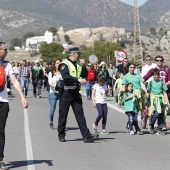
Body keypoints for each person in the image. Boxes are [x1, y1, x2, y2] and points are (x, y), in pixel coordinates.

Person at [58, 47, 98, 142]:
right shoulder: (64, 64)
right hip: (66, 92)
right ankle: (61, 134)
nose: (79, 55)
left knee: (80, 114)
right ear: (73, 54)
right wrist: (77, 79)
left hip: (75, 92)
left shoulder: (78, 64)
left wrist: (83, 66)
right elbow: (65, 76)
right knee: (63, 114)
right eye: (78, 54)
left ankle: (86, 135)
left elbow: (84, 75)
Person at [0, 41, 28, 170]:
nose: (6, 52)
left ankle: (0, 159)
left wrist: (22, 97)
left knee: (0, 131)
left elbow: (15, 81)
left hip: (3, 102)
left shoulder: (7, 65)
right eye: (5, 49)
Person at [143, 56, 170, 130]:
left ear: (163, 61)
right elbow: (145, 78)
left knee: (163, 111)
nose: (159, 62)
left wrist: (162, 86)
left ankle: (161, 125)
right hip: (154, 93)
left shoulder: (166, 70)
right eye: (157, 60)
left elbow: (169, 81)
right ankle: (150, 122)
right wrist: (140, 85)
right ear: (155, 61)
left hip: (165, 92)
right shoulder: (153, 70)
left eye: (161, 60)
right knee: (155, 111)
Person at [147, 69, 170, 135]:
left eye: (156, 75)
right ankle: (151, 124)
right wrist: (146, 100)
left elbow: (164, 93)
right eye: (153, 75)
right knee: (157, 113)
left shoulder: (162, 83)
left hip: (161, 100)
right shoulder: (150, 83)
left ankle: (159, 128)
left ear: (158, 75)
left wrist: (167, 102)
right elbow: (148, 92)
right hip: (154, 100)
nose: (155, 76)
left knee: (162, 115)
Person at [48, 59, 61, 129]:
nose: (58, 64)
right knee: (52, 109)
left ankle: (61, 124)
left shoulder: (62, 73)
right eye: (57, 63)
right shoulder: (51, 73)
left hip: (61, 94)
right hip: (53, 94)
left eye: (59, 63)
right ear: (54, 64)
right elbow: (50, 83)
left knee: (61, 110)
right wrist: (57, 88)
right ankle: (51, 122)